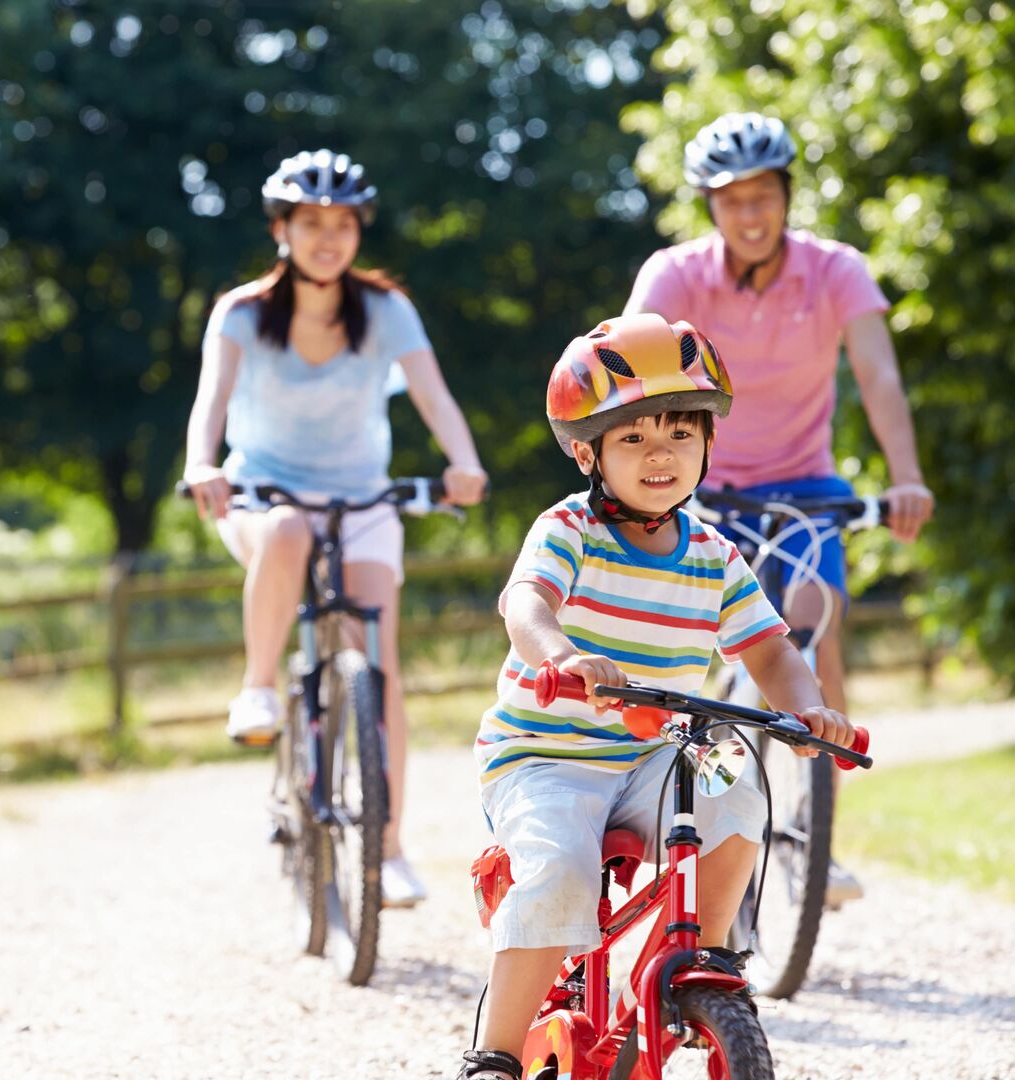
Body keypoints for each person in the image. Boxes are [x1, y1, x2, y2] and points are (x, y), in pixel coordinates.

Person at [456, 313, 855, 1080]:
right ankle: (495, 1055)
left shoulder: (714, 555)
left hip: (655, 754)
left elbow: (771, 648)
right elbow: (525, 605)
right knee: (559, 871)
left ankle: (702, 959)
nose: (660, 454)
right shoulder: (567, 528)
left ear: (708, 443)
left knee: (737, 784)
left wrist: (806, 708)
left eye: (679, 433)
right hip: (547, 756)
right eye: (633, 438)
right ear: (588, 452)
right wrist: (564, 655)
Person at [623, 111, 934, 905]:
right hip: (704, 488)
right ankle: (714, 810)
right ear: (709, 207)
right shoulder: (677, 274)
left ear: (787, 196)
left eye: (764, 196)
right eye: (733, 200)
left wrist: (905, 476)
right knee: (702, 660)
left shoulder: (835, 271)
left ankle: (812, 834)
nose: (751, 214)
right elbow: (631, 367)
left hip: (804, 486)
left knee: (811, 615)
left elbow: (880, 379)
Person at [183, 149, 487, 908]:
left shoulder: (385, 310)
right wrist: (201, 464)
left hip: (361, 501)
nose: (328, 238)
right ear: (282, 229)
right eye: (311, 223)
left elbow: (435, 396)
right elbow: (210, 402)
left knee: (376, 662)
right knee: (285, 533)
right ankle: (257, 689)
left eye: (343, 225)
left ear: (358, 233)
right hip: (263, 495)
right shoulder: (244, 313)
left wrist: (464, 460)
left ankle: (387, 850)